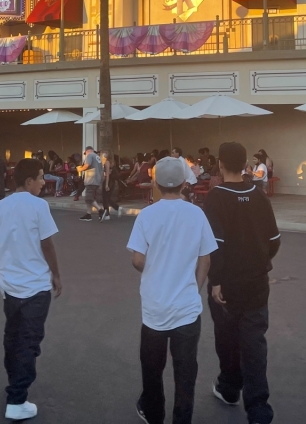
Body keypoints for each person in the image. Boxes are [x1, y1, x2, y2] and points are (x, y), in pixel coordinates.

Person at [127, 156, 216, 424]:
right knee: (186, 370)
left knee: (152, 368)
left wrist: (156, 268)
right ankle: (182, 418)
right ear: (183, 182)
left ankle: (153, 414)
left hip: (154, 307)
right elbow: (206, 258)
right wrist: (195, 286)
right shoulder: (196, 213)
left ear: (155, 182)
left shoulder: (147, 215)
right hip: (186, 308)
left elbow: (137, 259)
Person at [204, 143, 280, 424]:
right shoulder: (259, 196)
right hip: (257, 281)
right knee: (254, 341)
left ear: (220, 164)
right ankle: (259, 407)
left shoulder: (215, 198)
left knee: (227, 337)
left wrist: (215, 281)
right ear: (246, 163)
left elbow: (214, 245)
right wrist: (260, 261)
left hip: (228, 284)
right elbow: (274, 241)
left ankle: (229, 387)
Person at [0, 158, 62, 421]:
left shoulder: (1, 206)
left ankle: (14, 383)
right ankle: (17, 398)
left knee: (13, 336)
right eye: (40, 177)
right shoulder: (39, 206)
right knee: (29, 341)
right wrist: (57, 274)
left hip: (9, 286)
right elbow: (47, 244)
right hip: (36, 286)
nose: (43, 182)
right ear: (28, 181)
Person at [79, 146, 104, 222]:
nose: (85, 154)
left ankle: (100, 210)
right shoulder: (98, 157)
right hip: (97, 180)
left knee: (88, 198)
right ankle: (88, 214)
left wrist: (80, 169)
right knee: (91, 198)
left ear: (87, 151)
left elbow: (87, 165)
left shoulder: (90, 155)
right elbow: (102, 170)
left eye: (85, 153)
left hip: (91, 180)